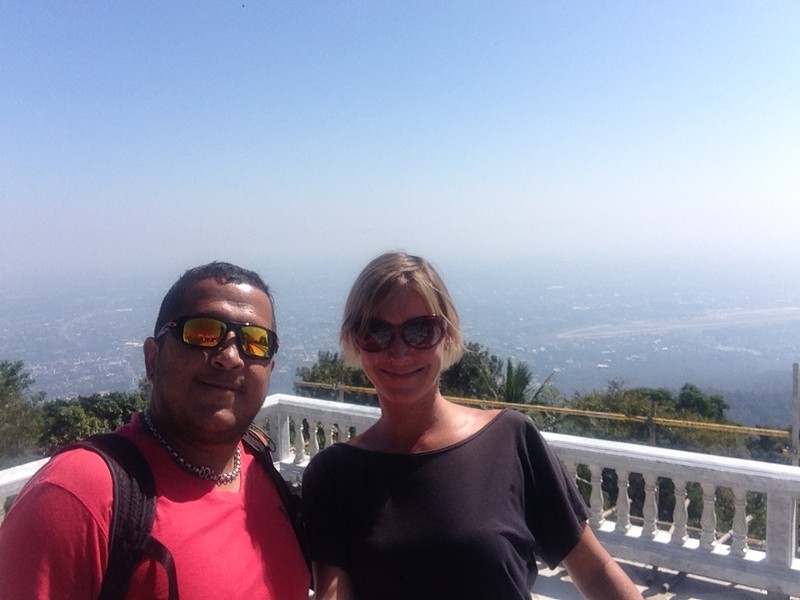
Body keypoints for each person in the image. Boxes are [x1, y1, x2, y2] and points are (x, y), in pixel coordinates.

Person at [302, 251, 643, 600]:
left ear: (447, 334)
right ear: (354, 341)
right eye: (376, 331)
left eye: (420, 330)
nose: (399, 352)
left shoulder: (510, 440)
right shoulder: (334, 475)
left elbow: (595, 570)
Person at [0, 262, 310, 599]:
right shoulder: (78, 494)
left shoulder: (258, 464)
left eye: (256, 341)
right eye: (203, 333)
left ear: (269, 368)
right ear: (153, 358)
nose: (230, 356)